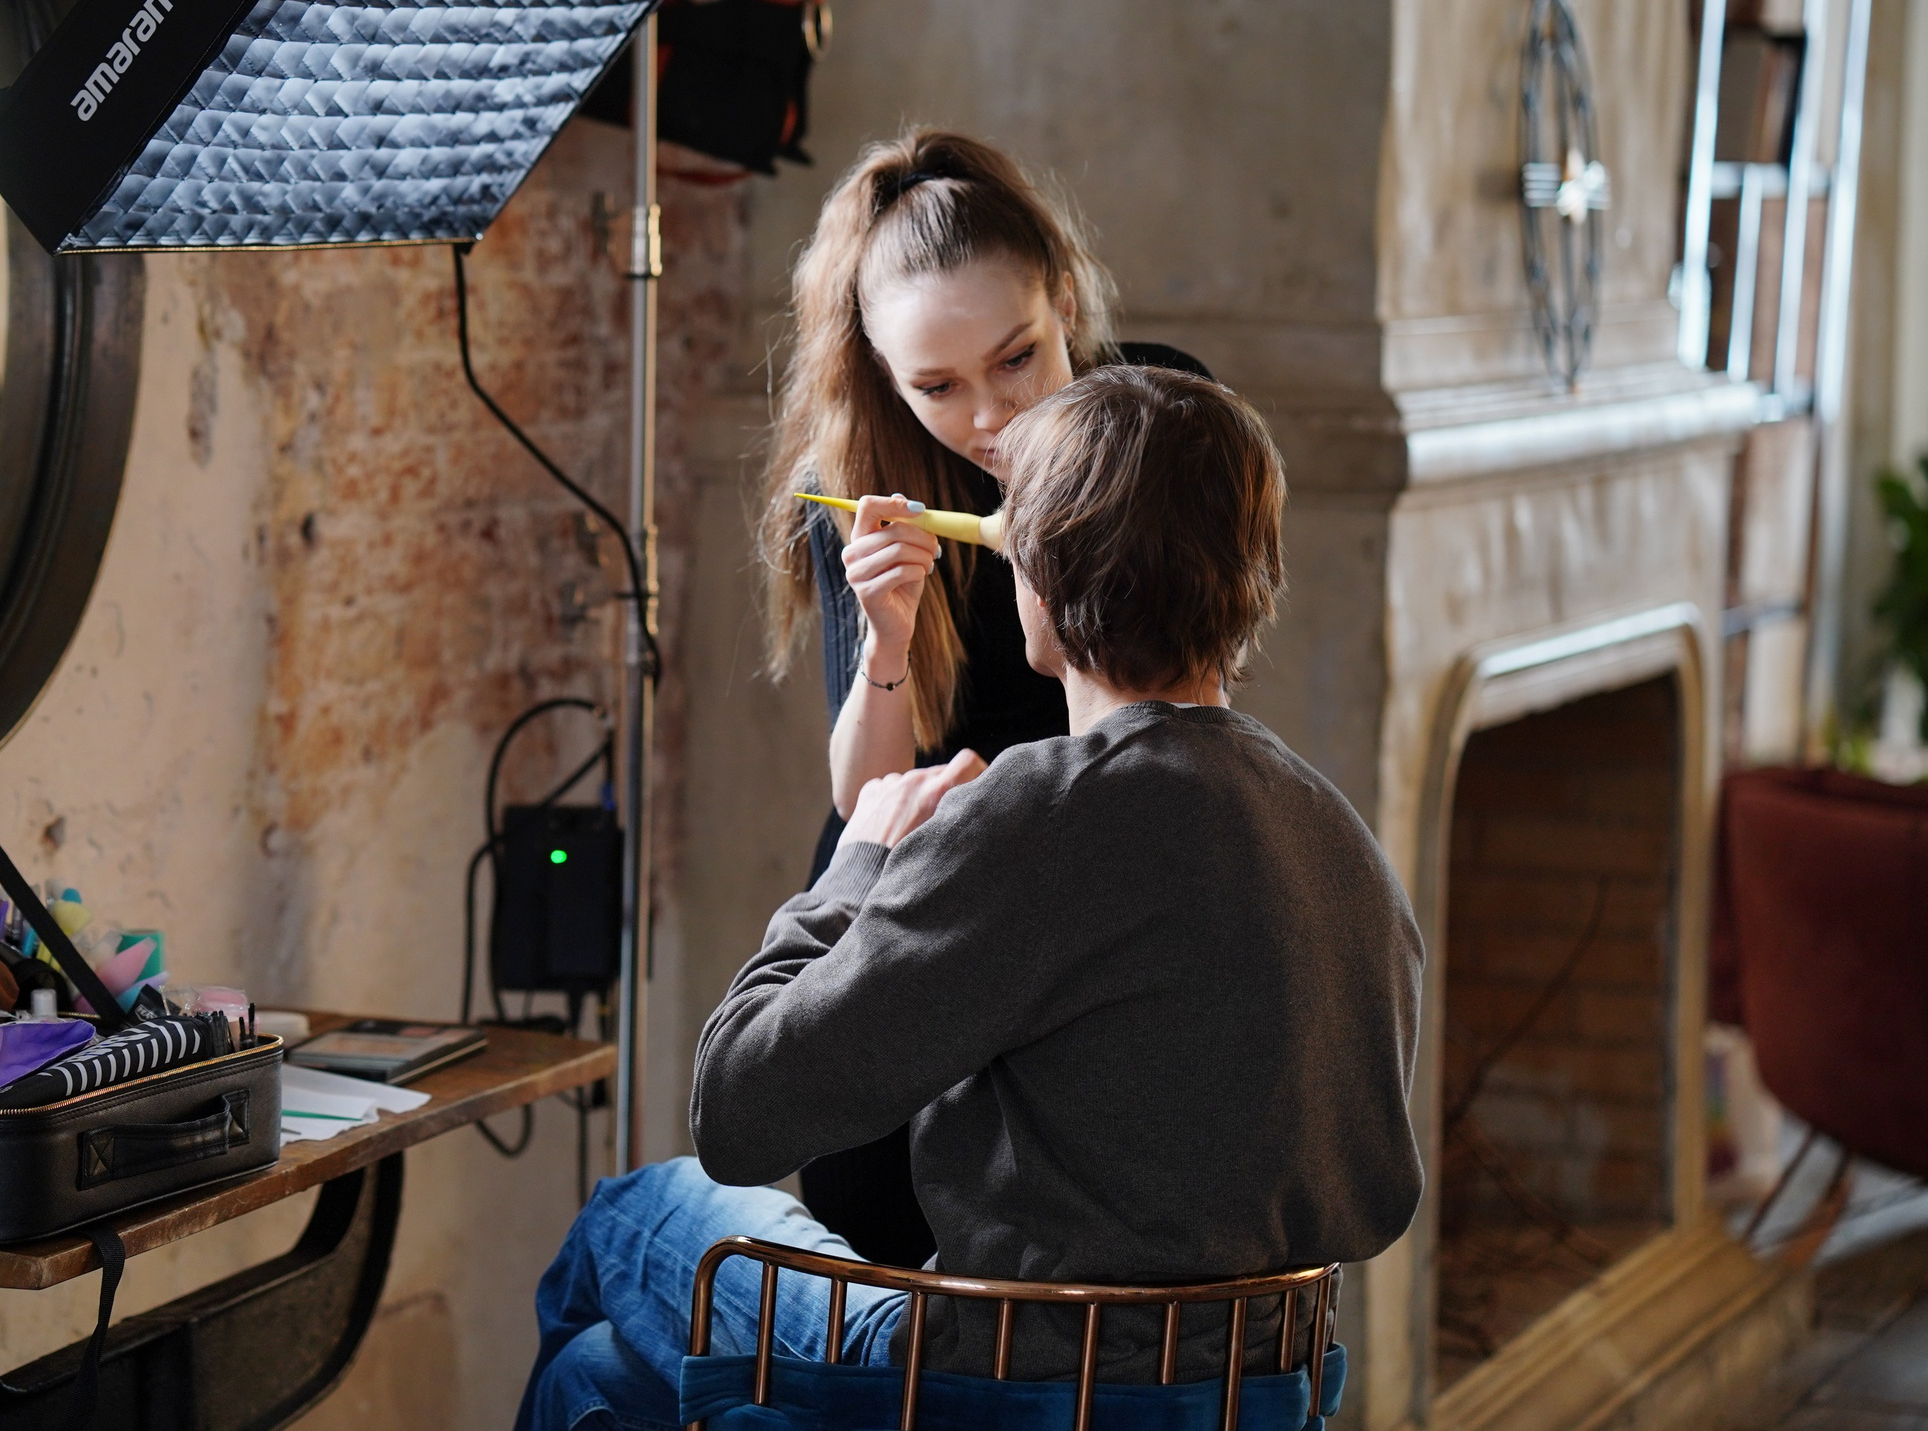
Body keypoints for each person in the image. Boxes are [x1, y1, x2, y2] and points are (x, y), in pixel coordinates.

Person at [515, 366, 1424, 1431]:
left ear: (1043, 571)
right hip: (1248, 1391)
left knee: (632, 1215)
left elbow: (738, 1108)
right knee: (596, 1379)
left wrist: (858, 861)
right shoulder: (1337, 834)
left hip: (1007, 1379)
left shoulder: (1045, 811)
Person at [755, 128, 1119, 1262]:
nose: (991, 418)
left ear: (1061, 299)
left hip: (1079, 891)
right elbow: (867, 793)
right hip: (912, 900)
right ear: (879, 369)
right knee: (880, 1244)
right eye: (937, 387)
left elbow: (1192, 686)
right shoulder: (859, 483)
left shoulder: (1145, 426)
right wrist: (887, 638)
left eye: (1019, 358)